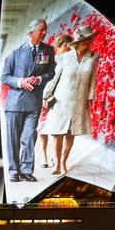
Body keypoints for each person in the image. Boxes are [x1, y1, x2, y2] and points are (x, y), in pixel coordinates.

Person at [1, 18, 56, 182]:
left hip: (34, 103)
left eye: (45, 29)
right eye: (41, 29)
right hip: (14, 104)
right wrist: (21, 82)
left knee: (29, 137)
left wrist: (39, 79)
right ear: (31, 32)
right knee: (13, 139)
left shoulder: (48, 50)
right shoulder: (15, 53)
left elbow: (51, 73)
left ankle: (26, 170)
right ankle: (13, 170)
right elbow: (4, 77)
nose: (44, 32)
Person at [43, 25, 99, 175]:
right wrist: (47, 94)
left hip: (79, 100)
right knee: (57, 132)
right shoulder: (64, 57)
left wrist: (90, 98)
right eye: (85, 40)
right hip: (62, 99)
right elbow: (55, 78)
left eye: (89, 40)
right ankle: (55, 164)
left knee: (70, 133)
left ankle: (63, 163)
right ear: (77, 42)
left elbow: (92, 79)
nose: (88, 43)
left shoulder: (94, 56)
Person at [37, 34, 73, 169]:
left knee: (54, 129)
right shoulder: (50, 61)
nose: (69, 48)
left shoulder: (70, 61)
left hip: (59, 101)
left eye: (70, 46)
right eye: (66, 46)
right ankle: (44, 156)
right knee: (42, 129)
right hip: (45, 98)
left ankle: (53, 157)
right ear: (59, 47)